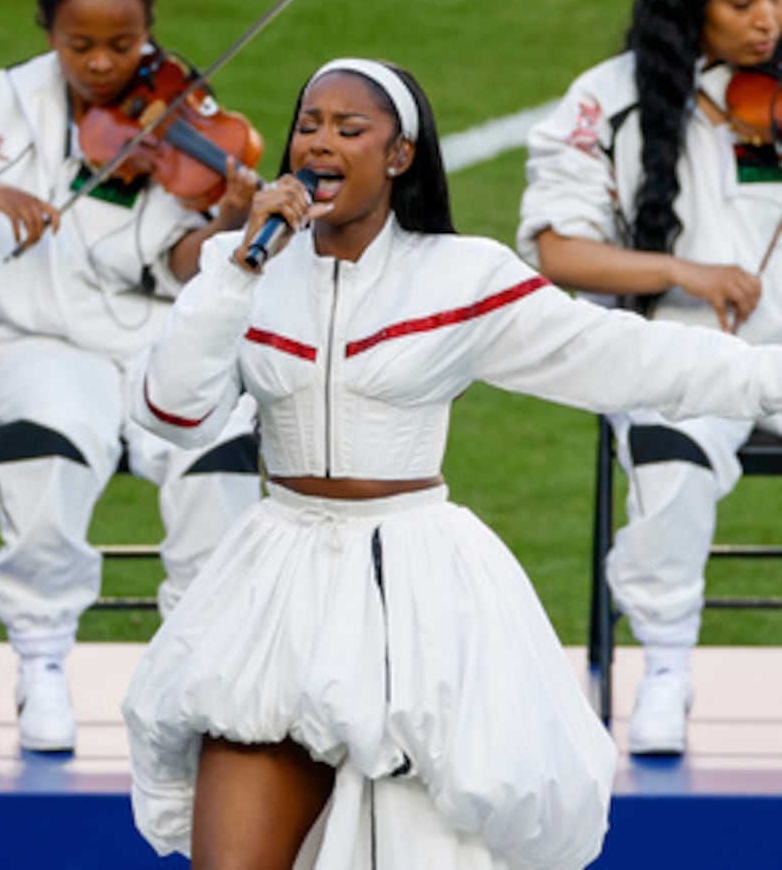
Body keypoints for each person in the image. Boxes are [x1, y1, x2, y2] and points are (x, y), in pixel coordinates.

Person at [120, 56, 782, 868]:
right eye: (309, 124)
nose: (320, 143)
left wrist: (769, 378)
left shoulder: (462, 277)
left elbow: (628, 356)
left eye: (349, 129)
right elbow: (171, 412)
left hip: (416, 598)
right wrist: (237, 271)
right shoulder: (246, 269)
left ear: (399, 156)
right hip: (276, 591)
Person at [0, 0, 263, 753]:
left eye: (125, 44)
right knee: (49, 442)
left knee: (221, 441)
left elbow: (186, 266)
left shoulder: (183, 118)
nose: (104, 65)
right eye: (80, 45)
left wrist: (225, 222)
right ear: (46, 28)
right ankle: (41, 660)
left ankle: (195, 664)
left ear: (151, 27)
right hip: (33, 338)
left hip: (158, 336)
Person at [517, 0, 782, 757]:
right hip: (679, 357)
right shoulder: (609, 99)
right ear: (690, 2)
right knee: (670, 457)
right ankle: (667, 667)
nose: (768, 20)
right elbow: (557, 250)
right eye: (743, 1)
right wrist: (681, 271)